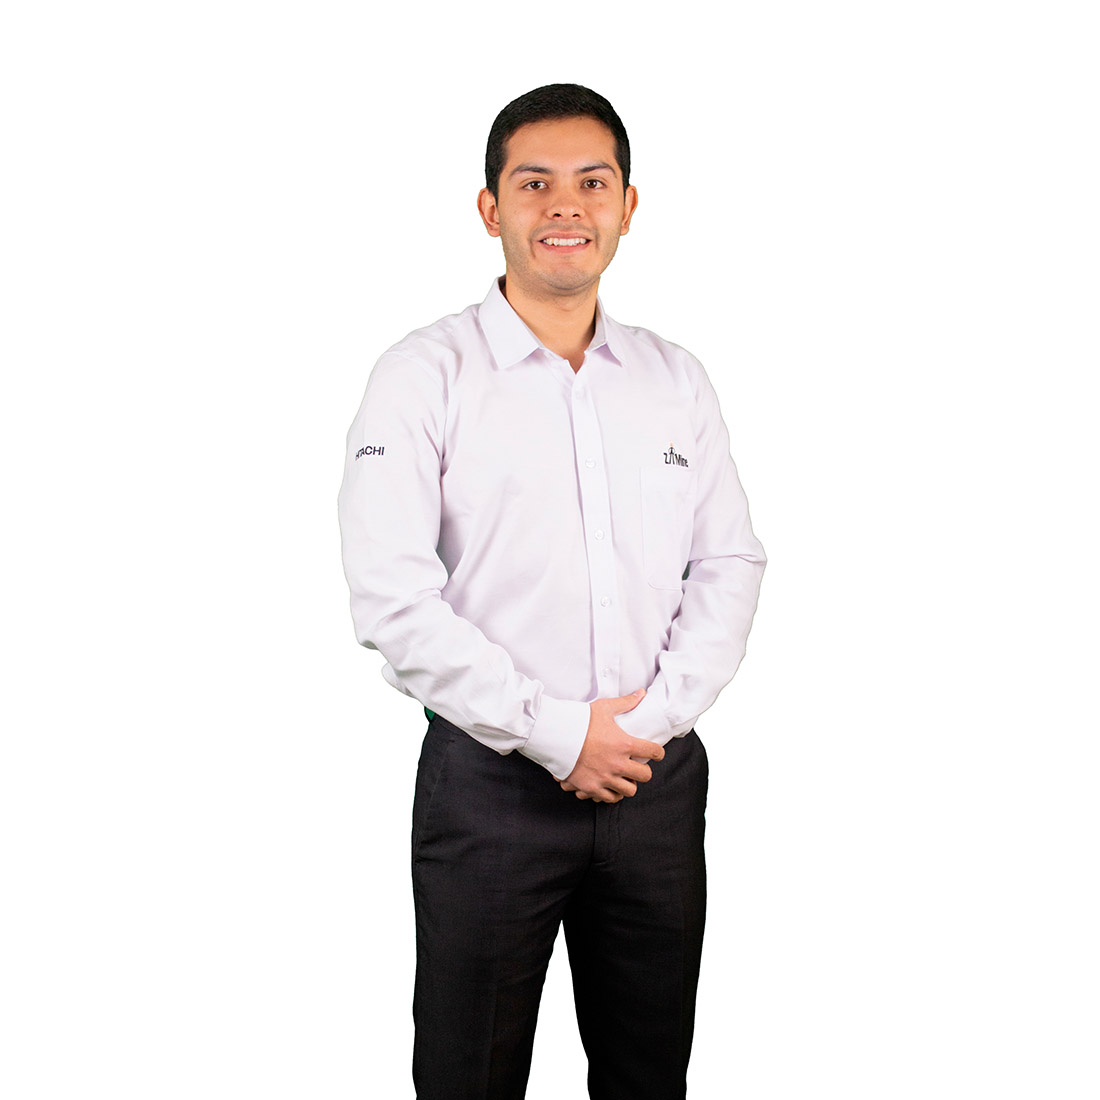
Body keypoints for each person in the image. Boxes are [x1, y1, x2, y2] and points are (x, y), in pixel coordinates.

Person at [338, 83, 766, 1100]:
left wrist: (641, 727)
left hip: (654, 782)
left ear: (627, 206)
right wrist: (557, 733)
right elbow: (391, 596)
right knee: (468, 1074)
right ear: (490, 208)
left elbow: (728, 563)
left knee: (647, 1071)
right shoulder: (422, 375)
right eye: (534, 184)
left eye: (592, 182)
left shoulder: (675, 379)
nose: (565, 205)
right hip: (490, 785)